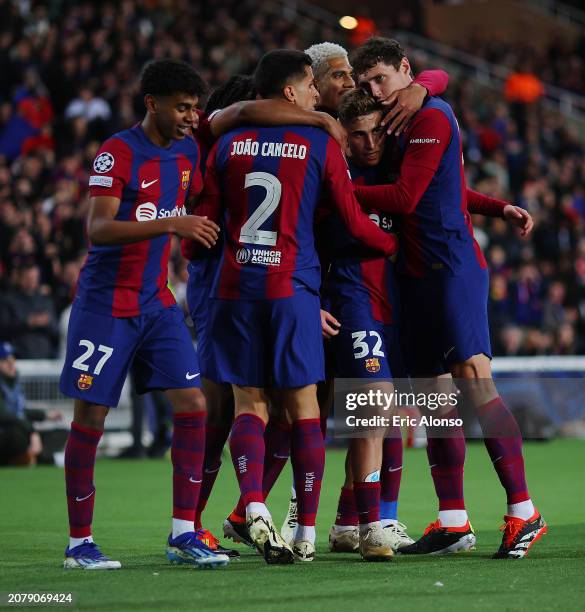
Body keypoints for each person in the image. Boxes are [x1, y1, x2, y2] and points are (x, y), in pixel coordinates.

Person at [193, 49, 398, 564]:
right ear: (292, 89)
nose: (315, 92)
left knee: (248, 407)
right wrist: (394, 243)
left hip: (235, 287)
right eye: (312, 83)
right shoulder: (321, 140)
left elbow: (201, 233)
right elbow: (352, 224)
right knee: (310, 408)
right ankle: (309, 532)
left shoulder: (224, 144)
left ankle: (250, 506)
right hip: (295, 290)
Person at [351, 37, 544, 559]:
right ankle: (454, 520)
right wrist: (497, 206)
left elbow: (408, 197)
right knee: (435, 401)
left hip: (452, 269)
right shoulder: (396, 123)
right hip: (412, 276)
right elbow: (447, 190)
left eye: (383, 80)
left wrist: (336, 190)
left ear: (405, 71)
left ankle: (524, 512)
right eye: (366, 83)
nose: (375, 91)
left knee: (475, 383)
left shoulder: (431, 115)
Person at [58, 59, 229, 570]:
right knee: (91, 415)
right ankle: (78, 543)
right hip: (105, 305)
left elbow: (199, 195)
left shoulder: (186, 152)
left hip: (156, 303)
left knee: (194, 403)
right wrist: (174, 223)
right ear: (151, 103)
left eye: (195, 109)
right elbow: (100, 229)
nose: (190, 117)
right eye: (181, 107)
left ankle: (183, 532)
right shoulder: (117, 151)